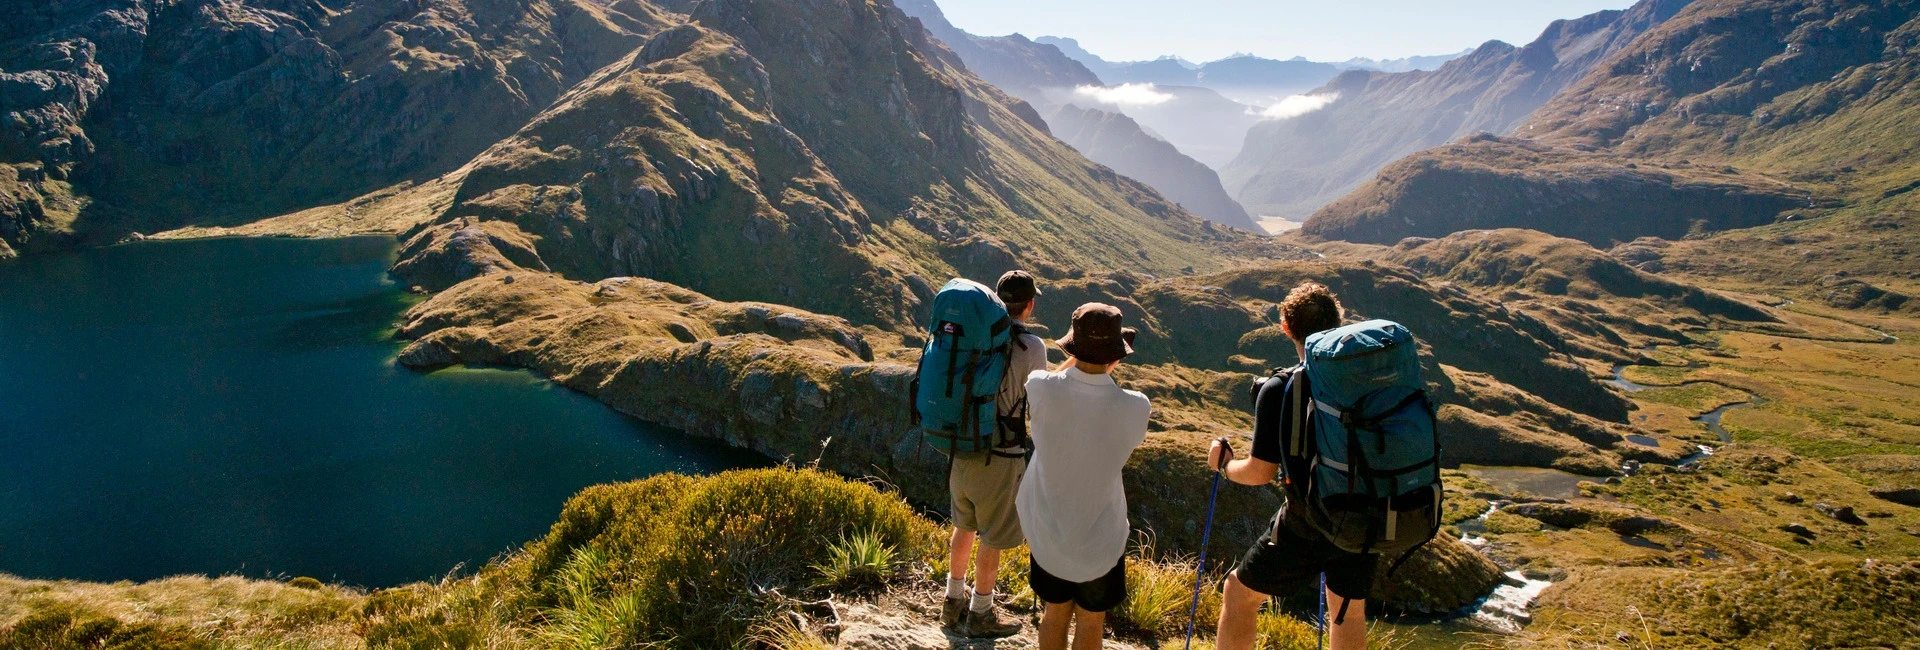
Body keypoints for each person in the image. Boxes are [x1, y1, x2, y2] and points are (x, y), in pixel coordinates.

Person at [1207, 281, 1370, 650]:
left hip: (1308, 520)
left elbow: (1259, 473)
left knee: (1238, 593)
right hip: (1364, 514)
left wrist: (1224, 466)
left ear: (1285, 327)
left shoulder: (1280, 388)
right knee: (1347, 611)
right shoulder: (1363, 380)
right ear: (1338, 322)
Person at [1016, 303, 1150, 650]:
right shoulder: (1136, 407)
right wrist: (1105, 366)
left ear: (1071, 346)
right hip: (1100, 541)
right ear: (1115, 354)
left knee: (1053, 614)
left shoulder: (1041, 388)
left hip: (1048, 535)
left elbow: (1059, 378)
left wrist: (1091, 361)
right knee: (1091, 620)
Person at [942, 270, 1049, 638]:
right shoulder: (1032, 347)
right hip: (1002, 455)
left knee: (964, 525)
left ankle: (952, 601)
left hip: (962, 446)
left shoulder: (975, 335)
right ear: (1030, 305)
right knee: (992, 535)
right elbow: (1039, 405)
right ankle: (981, 613)